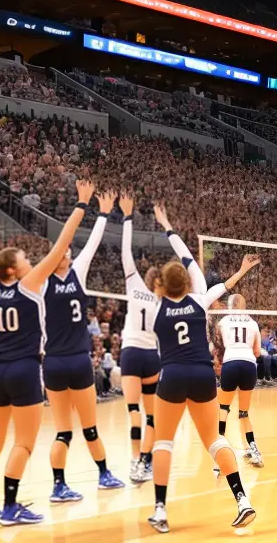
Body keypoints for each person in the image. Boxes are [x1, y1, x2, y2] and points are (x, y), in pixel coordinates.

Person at [0, 179, 94, 527]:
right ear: (13, 270)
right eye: (24, 259)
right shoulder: (27, 284)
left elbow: (5, 262)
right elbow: (61, 245)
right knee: (23, 444)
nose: (29, 260)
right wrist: (81, 204)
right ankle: (10, 508)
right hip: (24, 370)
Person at [142, 202, 261, 533]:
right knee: (214, 440)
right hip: (203, 374)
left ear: (162, 287)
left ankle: (161, 511)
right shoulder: (199, 300)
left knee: (163, 442)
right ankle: (242, 500)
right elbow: (198, 267)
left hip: (174, 374)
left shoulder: (155, 308)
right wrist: (167, 224)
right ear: (188, 282)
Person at [42, 190, 124, 502]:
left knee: (63, 431)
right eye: (67, 252)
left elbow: (86, 246)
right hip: (76, 361)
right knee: (89, 427)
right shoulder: (75, 273)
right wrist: (102, 212)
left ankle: (58, 486)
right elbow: (92, 242)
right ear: (61, 256)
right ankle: (104, 475)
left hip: (53, 363)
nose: (72, 254)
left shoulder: (41, 281)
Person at [118, 194, 163, 485]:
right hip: (152, 356)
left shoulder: (134, 285)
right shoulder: (164, 302)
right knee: (153, 417)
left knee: (133, 411)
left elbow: (125, 253)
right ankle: (145, 462)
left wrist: (127, 216)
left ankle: (136, 461)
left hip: (131, 352)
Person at [215, 294, 265, 470]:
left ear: (229, 306)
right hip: (248, 365)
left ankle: (219, 452)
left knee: (223, 408)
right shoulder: (252, 323)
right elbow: (258, 352)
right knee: (244, 412)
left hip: (230, 363)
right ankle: (254, 449)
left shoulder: (222, 323)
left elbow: (216, 347)